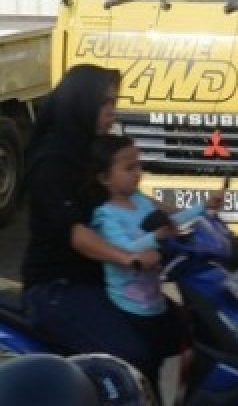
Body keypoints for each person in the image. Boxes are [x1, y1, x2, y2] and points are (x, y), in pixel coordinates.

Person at [20, 65, 165, 384]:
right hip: (58, 287)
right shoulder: (53, 161)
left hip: (100, 278)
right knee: (131, 356)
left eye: (114, 102)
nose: (112, 112)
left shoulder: (95, 149)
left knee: (175, 330)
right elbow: (77, 234)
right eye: (104, 104)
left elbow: (134, 197)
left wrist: (189, 215)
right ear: (80, 104)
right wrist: (128, 257)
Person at [89, 136, 218, 389]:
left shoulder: (140, 201)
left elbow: (175, 220)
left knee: (192, 342)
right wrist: (155, 237)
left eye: (138, 166)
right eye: (128, 168)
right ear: (105, 178)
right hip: (130, 309)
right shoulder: (105, 215)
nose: (137, 173)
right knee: (144, 371)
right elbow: (124, 248)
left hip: (156, 304)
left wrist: (204, 207)